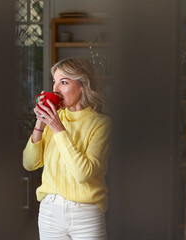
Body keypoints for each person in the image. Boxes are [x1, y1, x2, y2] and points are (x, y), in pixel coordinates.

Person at [23, 57, 111, 240]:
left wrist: (57, 127)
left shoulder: (101, 124)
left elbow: (83, 174)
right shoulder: (53, 118)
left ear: (83, 85)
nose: (55, 89)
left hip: (86, 214)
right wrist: (40, 124)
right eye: (54, 82)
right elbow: (29, 164)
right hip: (50, 211)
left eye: (64, 82)